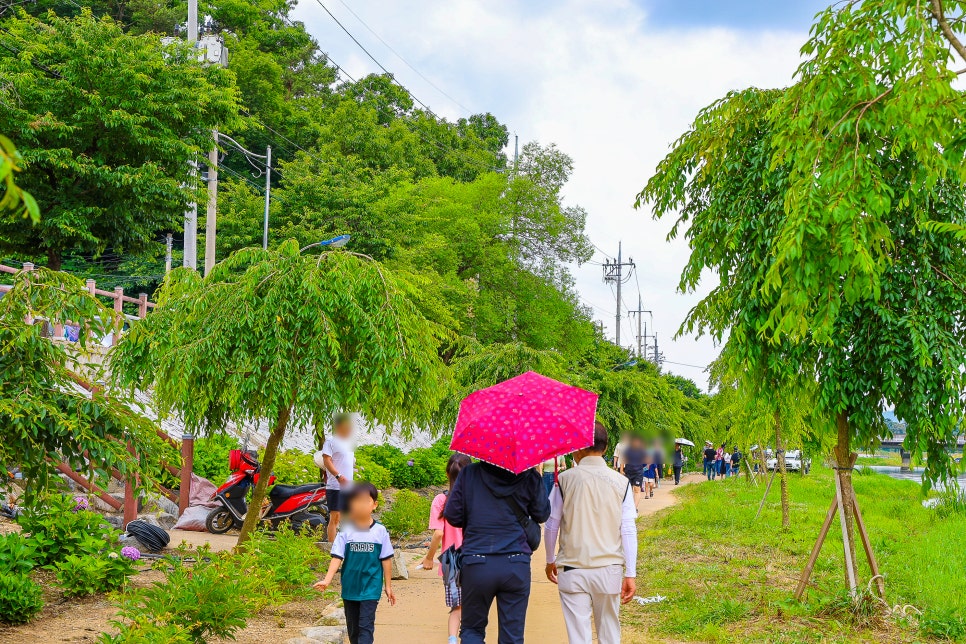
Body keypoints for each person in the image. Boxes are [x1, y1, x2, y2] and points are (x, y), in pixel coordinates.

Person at [544, 422, 637, 644]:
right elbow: (628, 530)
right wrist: (630, 573)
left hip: (572, 569)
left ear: (577, 448)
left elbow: (551, 525)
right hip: (609, 570)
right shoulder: (622, 482)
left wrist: (550, 560)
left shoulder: (564, 480)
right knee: (609, 633)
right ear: (605, 449)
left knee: (579, 636)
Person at [443, 455, 551, 643]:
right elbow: (542, 514)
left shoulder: (469, 474)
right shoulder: (528, 475)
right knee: (512, 636)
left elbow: (452, 515)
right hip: (516, 562)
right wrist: (536, 476)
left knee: (472, 631)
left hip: (476, 561)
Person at [313, 483, 396, 644]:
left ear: (374, 505)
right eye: (356, 501)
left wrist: (388, 586)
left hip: (371, 588)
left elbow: (386, 559)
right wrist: (327, 580)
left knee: (366, 627)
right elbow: (337, 557)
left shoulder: (380, 531)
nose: (361, 505)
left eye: (365, 501)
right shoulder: (346, 530)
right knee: (354, 630)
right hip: (350, 587)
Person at [422, 453, 472, 644]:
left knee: (456, 608)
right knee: (472, 606)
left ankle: (452, 640)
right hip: (473, 556)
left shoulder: (440, 500)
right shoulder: (475, 498)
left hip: (451, 559)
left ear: (447, 473)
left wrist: (429, 558)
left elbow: (438, 534)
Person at [318, 413, 356, 543]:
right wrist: (338, 475)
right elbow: (327, 460)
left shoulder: (348, 443)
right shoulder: (331, 441)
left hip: (348, 486)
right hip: (335, 486)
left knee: (349, 516)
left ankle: (346, 544)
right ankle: (331, 547)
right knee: (335, 517)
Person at [620, 436, 647, 506]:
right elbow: (623, 459)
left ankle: (634, 508)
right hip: (628, 472)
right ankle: (628, 505)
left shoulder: (642, 451)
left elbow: (646, 461)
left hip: (638, 473)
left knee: (637, 489)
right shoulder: (628, 450)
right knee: (628, 490)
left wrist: (643, 468)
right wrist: (621, 470)